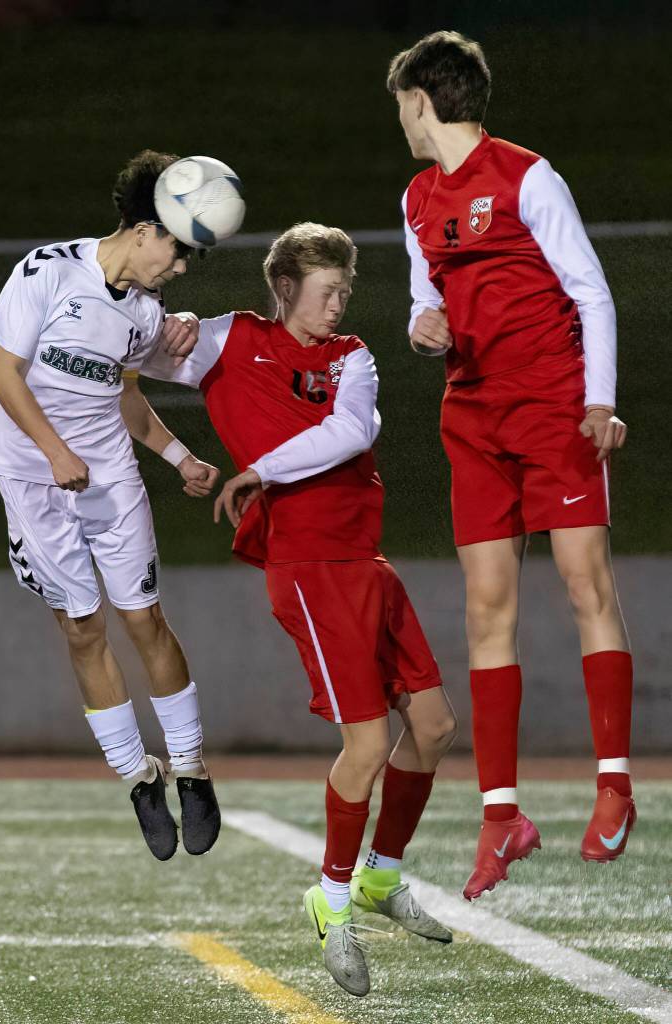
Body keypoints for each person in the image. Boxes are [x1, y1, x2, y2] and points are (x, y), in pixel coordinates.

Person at [140, 222, 456, 997]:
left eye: (345, 291)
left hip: (364, 559)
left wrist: (258, 469)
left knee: (437, 725)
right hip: (308, 565)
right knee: (367, 741)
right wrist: (158, 324)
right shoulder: (227, 341)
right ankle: (334, 897)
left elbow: (351, 432)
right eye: (325, 292)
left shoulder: (353, 356)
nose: (338, 305)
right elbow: (122, 350)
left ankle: (382, 877)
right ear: (284, 288)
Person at [388, 31, 634, 900]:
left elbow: (590, 289)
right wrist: (423, 328)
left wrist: (597, 402)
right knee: (486, 605)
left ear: (422, 98)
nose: (401, 121)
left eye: (401, 105)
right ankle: (502, 816)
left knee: (582, 583)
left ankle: (613, 783)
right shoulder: (416, 197)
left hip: (552, 406)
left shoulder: (528, 175)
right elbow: (428, 301)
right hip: (472, 417)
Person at [0, 150, 222, 862]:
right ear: (146, 229)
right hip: (32, 479)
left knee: (144, 618)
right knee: (83, 628)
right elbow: (1, 374)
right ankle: (138, 778)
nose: (178, 270)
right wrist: (54, 452)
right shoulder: (46, 271)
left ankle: (190, 769)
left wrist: (181, 458)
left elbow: (129, 398)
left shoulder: (144, 313)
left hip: (107, 477)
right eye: (177, 251)